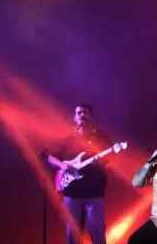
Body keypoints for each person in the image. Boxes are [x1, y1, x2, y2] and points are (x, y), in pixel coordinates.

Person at [46, 103, 114, 244]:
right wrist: (63, 165)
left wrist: (100, 162)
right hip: (71, 195)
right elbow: (47, 155)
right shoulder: (67, 140)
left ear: (91, 117)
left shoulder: (101, 139)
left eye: (86, 112)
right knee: (72, 235)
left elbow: (110, 157)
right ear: (75, 118)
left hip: (94, 194)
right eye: (79, 113)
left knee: (97, 234)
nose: (82, 115)